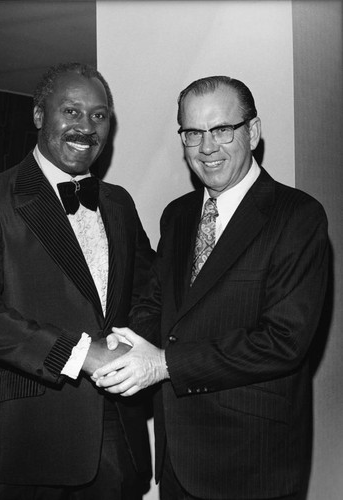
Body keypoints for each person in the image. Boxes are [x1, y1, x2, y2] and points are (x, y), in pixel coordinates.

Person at [93, 76, 329, 500]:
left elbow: (284, 341)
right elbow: (160, 304)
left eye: (222, 130)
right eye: (193, 133)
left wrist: (165, 364)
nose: (207, 148)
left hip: (253, 461)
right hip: (177, 459)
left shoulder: (298, 217)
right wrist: (110, 348)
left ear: (252, 133)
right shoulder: (178, 215)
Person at [0, 62, 154, 500]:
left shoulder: (119, 202)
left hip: (118, 436)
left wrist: (134, 344)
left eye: (99, 115)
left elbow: (148, 291)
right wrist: (81, 354)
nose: (86, 126)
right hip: (28, 438)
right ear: (40, 115)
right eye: (72, 111)